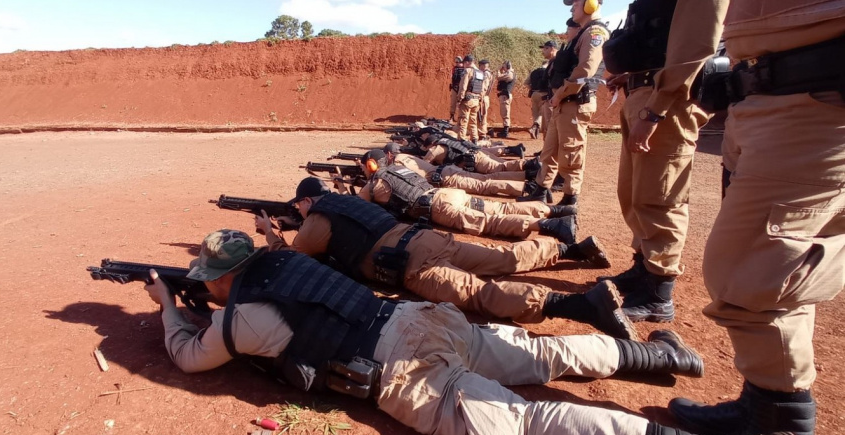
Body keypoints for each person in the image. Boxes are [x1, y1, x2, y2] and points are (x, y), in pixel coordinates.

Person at [144, 228, 818, 435]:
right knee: (541, 353)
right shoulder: (286, 259)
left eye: (206, 278)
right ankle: (654, 357)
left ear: (222, 278)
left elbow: (187, 357)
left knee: (520, 431)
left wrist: (169, 306)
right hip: (423, 320)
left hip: (407, 368)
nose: (202, 284)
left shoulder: (240, 318)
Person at [662, 0, 842, 435]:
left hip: (816, 95)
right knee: (782, 270)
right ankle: (771, 408)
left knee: (748, 267)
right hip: (769, 93)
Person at [256, 177, 633, 339]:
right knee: (502, 258)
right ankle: (571, 249)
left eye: (300, 206)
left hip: (412, 264)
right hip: (427, 238)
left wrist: (271, 232)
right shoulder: (353, 200)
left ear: (305, 202)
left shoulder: (317, 220)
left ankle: (581, 307)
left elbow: (293, 258)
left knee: (480, 296)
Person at [599, 0, 745, 324]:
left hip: (669, 96)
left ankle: (658, 292)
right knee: (634, 193)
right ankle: (643, 268)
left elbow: (699, 38)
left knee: (659, 195)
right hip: (646, 87)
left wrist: (658, 108)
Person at [357, 149, 581, 243]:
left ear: (371, 164)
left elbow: (358, 208)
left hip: (438, 206)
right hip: (448, 194)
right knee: (499, 208)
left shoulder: (374, 184)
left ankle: (551, 226)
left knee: (489, 222)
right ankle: (559, 211)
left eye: (364, 167)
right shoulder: (399, 168)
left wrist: (344, 189)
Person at [525, 0, 609, 206]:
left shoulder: (595, 33)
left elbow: (585, 71)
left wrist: (559, 94)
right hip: (564, 102)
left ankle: (569, 201)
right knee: (550, 150)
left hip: (574, 102)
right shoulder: (583, 32)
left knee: (571, 154)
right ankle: (542, 190)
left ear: (592, 3)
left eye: (576, 2)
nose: (572, 7)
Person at [383, 141, 527, 198]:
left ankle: (527, 188)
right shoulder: (406, 156)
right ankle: (527, 175)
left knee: (484, 184)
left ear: (389, 154)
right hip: (447, 171)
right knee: (488, 177)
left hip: (446, 176)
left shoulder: (397, 161)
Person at [421, 133, 529, 175]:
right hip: (478, 154)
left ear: (431, 144)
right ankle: (529, 166)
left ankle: (531, 165)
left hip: (476, 161)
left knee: (501, 168)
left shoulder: (434, 150)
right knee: (503, 165)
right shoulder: (446, 142)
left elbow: (424, 166)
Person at [527, 42, 557, 140]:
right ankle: (536, 126)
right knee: (543, 116)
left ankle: (535, 125)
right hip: (545, 95)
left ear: (552, 49)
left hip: (535, 93)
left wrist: (532, 89)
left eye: (545, 48)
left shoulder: (535, 71)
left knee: (537, 114)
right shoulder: (549, 66)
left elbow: (526, 83)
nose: (543, 51)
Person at [455, 55, 484, 143]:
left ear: (467, 62)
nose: (463, 65)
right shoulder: (480, 73)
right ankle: (474, 138)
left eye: (464, 63)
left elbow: (463, 86)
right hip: (476, 100)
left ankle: (461, 139)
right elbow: (482, 88)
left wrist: (459, 99)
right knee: (473, 120)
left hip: (468, 100)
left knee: (463, 120)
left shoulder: (467, 71)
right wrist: (480, 99)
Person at [496, 60, 516, 138]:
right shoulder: (509, 73)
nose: (503, 67)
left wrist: (499, 70)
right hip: (504, 95)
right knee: (504, 112)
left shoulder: (509, 74)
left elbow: (498, 77)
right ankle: (505, 130)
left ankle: (505, 131)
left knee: (505, 113)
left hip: (505, 96)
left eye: (504, 66)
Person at [477, 59, 494, 140]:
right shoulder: (488, 73)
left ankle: (482, 134)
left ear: (482, 66)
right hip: (485, 97)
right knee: (481, 115)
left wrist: (480, 96)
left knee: (482, 116)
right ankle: (481, 132)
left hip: (483, 97)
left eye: (480, 66)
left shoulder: (485, 74)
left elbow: (483, 87)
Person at [448, 56, 466, 121]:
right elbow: (452, 77)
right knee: (453, 103)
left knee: (462, 104)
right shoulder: (454, 69)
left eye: (458, 62)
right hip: (454, 87)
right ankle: (451, 117)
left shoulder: (465, 69)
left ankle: (460, 118)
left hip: (462, 88)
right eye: (456, 62)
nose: (457, 63)